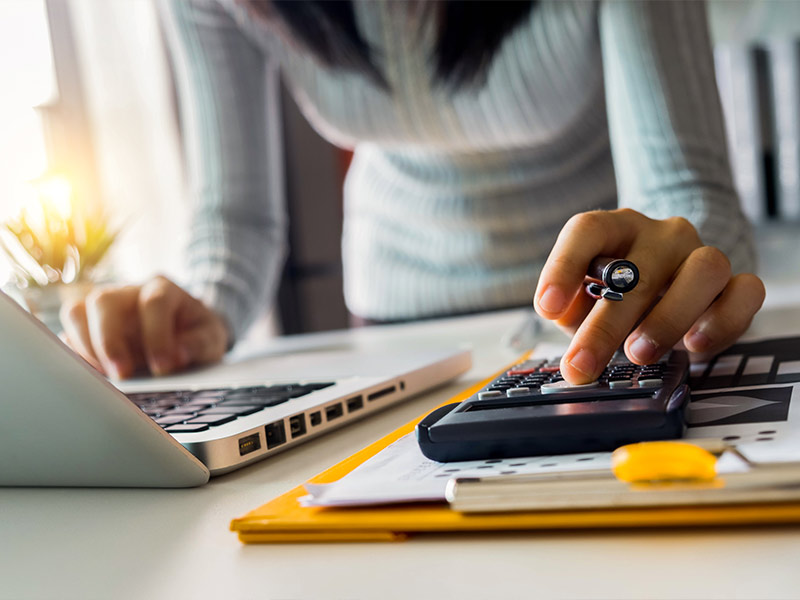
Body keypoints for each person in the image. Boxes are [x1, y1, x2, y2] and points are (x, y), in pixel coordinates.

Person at [60, 0, 765, 386]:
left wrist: (677, 270)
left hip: (602, 320)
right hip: (392, 338)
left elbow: (684, 192)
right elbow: (234, 222)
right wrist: (198, 309)